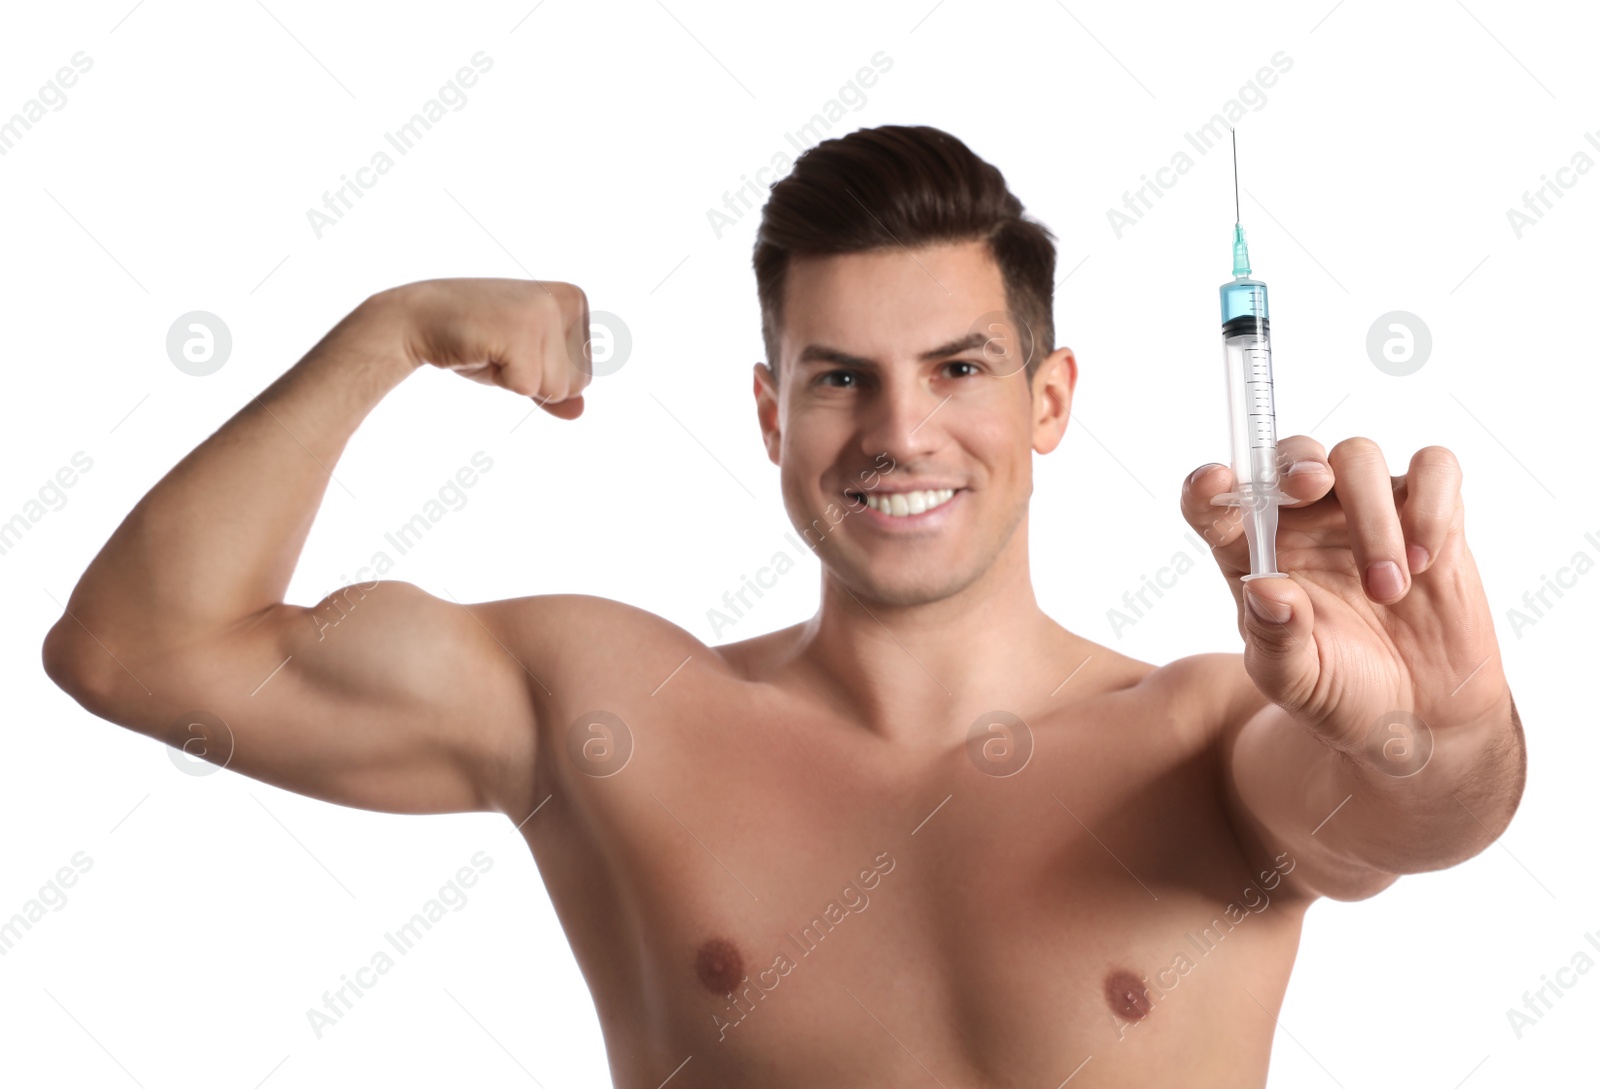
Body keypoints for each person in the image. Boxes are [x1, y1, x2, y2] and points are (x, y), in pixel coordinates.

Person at [42, 124, 1524, 1087]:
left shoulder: (1208, 731)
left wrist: (1429, 725)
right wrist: (392, 332)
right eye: (838, 378)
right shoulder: (614, 711)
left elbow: (1424, 810)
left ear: (1051, 399)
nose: (899, 432)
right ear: (768, 410)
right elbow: (138, 649)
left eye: (958, 367)